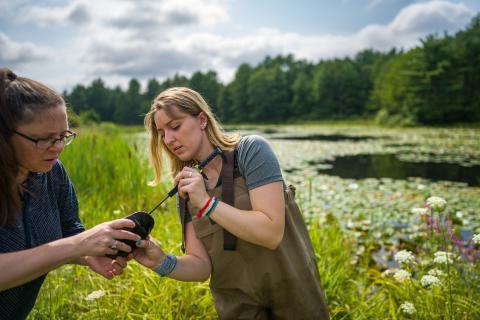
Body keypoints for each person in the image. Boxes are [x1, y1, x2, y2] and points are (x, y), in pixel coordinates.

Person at [135, 87, 329, 319]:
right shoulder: (186, 188)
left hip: (295, 295)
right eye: (161, 133)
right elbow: (200, 266)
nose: (168, 139)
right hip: (238, 308)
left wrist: (207, 204)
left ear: (202, 120)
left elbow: (271, 232)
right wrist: (160, 261)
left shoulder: (251, 152)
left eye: (175, 126)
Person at [0, 68, 141, 320]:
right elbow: (71, 242)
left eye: (64, 136)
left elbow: (69, 230)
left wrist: (88, 255)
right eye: (44, 139)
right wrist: (76, 246)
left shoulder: (51, 172)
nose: (58, 148)